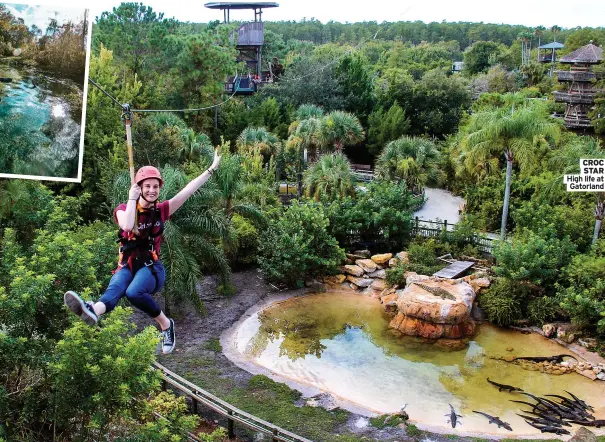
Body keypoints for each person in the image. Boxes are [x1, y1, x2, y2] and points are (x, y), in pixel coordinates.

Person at [64, 150, 222, 354]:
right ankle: (92, 311)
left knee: (133, 292)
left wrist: (211, 169)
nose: (152, 190)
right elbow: (128, 226)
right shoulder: (123, 209)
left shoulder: (162, 210)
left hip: (151, 268)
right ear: (139, 188)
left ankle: (166, 325)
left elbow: (188, 190)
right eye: (147, 186)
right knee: (113, 292)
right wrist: (132, 200)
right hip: (127, 265)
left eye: (155, 186)